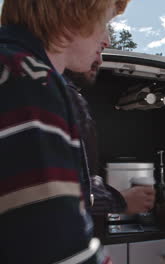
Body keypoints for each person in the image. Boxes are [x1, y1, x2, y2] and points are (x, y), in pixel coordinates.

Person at [0, 0, 129, 263]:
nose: (106, 39)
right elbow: (54, 248)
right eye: (104, 23)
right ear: (72, 12)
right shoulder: (29, 79)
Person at [63, 57, 156, 215]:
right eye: (96, 36)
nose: (99, 59)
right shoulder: (63, 97)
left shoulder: (69, 97)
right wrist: (119, 201)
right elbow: (54, 192)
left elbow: (85, 181)